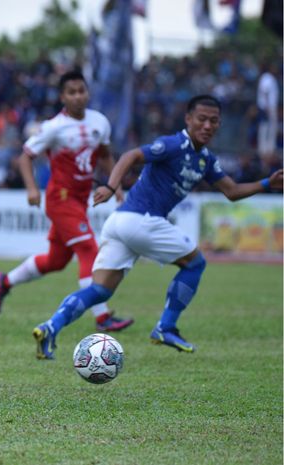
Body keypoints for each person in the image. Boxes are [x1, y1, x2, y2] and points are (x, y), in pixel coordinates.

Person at [32, 94, 283, 359]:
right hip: (142, 220)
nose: (207, 126)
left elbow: (231, 190)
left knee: (100, 290)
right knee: (195, 263)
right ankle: (166, 327)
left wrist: (267, 183)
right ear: (188, 119)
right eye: (201, 119)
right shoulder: (173, 144)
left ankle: (50, 327)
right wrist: (111, 185)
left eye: (214, 121)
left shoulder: (205, 160)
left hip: (120, 223)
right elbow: (130, 155)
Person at [0, 71, 134, 333]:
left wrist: (115, 186)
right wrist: (32, 189)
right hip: (60, 199)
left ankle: (5, 281)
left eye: (82, 90)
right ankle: (102, 318)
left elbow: (104, 155)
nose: (78, 96)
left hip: (80, 200)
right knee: (89, 251)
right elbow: (24, 158)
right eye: (72, 92)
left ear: (88, 92)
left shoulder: (99, 122)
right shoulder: (53, 127)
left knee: (56, 261)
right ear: (62, 96)